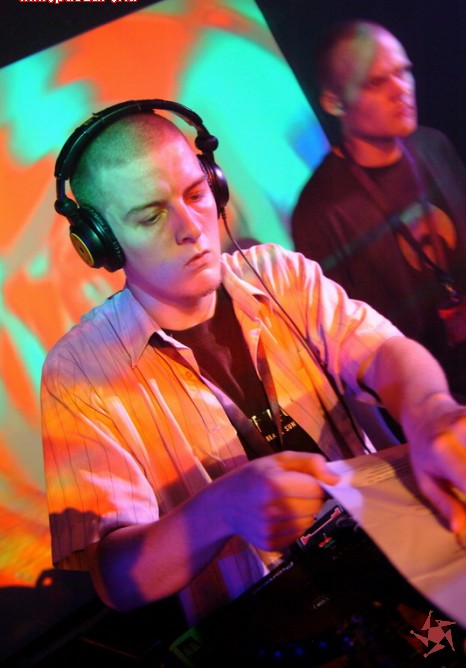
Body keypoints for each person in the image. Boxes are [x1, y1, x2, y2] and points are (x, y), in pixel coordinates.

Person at [41, 100, 466, 632]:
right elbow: (118, 581)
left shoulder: (278, 274)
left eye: (196, 194)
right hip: (271, 630)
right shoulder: (78, 371)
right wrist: (217, 511)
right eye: (151, 216)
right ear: (100, 242)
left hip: (397, 568)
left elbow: (384, 353)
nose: (191, 228)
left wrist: (431, 410)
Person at [291, 19, 466, 402]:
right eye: (375, 83)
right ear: (334, 102)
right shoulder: (319, 211)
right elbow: (348, 339)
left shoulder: (433, 145)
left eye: (403, 72)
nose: (400, 89)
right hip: (430, 399)